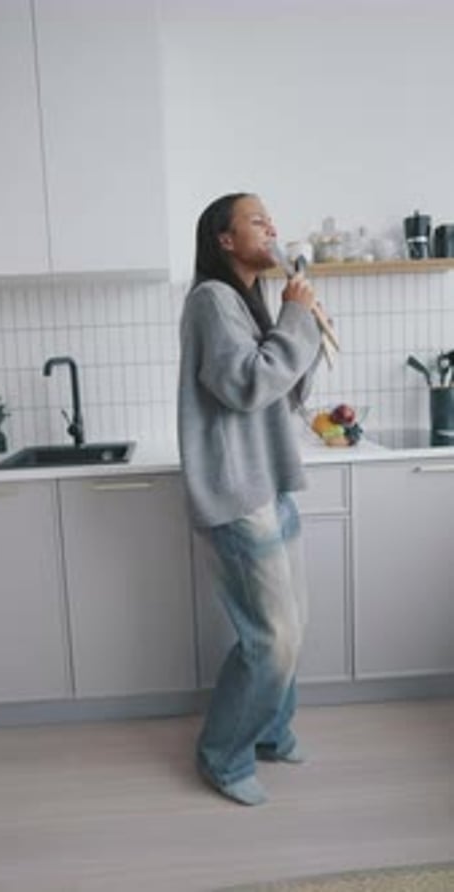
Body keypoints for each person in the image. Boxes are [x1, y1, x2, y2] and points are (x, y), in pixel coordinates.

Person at [177, 192, 322, 806]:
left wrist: (301, 320)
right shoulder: (212, 300)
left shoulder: (252, 299)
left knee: (292, 628)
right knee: (272, 637)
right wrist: (294, 321)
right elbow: (244, 384)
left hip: (269, 481)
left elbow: (282, 388)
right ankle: (222, 755)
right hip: (238, 491)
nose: (272, 227)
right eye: (256, 219)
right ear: (225, 240)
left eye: (272, 218)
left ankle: (268, 732)